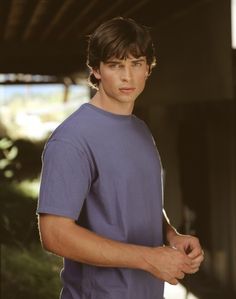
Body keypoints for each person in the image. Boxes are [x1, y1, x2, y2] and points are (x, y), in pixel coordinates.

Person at [37, 17, 204, 299]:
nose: (128, 76)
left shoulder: (140, 130)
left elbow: (140, 200)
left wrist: (172, 236)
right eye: (116, 65)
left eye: (136, 63)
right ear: (96, 69)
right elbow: (54, 234)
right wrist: (148, 258)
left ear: (149, 68)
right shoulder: (72, 139)